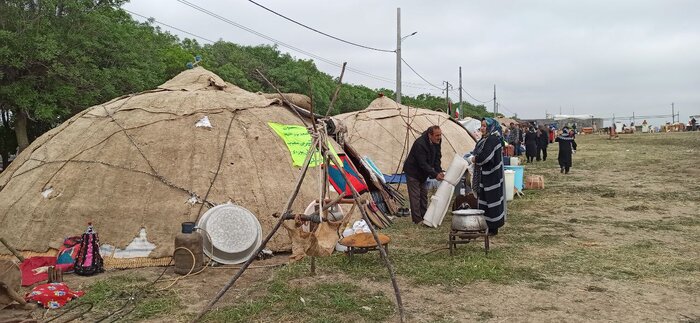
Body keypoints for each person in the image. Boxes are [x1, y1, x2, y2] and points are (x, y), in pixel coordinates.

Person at [469, 118, 506, 236]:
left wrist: (474, 159)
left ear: (491, 127)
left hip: (491, 175)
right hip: (485, 175)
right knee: (485, 200)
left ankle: (493, 227)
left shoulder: (493, 140)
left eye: (484, 126)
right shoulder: (486, 139)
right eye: (481, 125)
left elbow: (485, 157)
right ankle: (487, 225)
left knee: (492, 200)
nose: (482, 128)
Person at [403, 125, 445, 224]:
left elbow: (437, 157)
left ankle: (425, 216)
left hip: (424, 172)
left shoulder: (438, 141)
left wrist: (439, 171)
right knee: (415, 196)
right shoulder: (420, 144)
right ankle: (417, 220)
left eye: (440, 135)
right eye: (437, 135)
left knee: (423, 195)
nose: (439, 137)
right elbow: (422, 163)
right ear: (430, 135)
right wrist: (435, 175)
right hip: (413, 171)